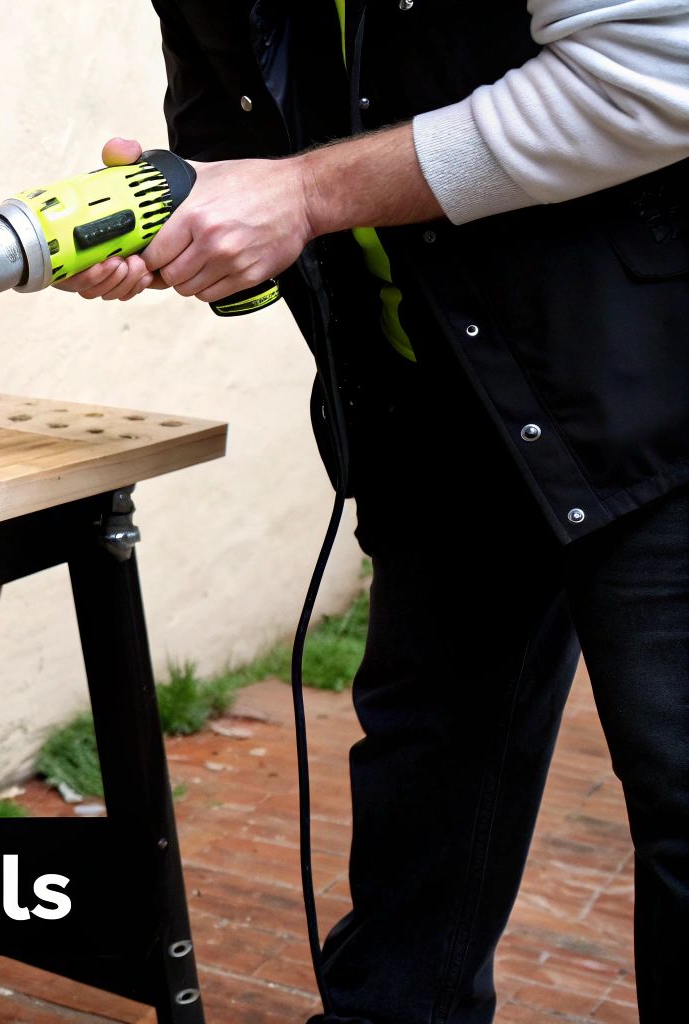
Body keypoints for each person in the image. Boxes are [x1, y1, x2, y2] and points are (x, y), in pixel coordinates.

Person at [59, 3, 689, 1022]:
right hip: (440, 404)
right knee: (427, 765)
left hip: (653, 388)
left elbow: (659, 72)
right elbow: (243, 152)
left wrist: (300, 193)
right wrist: (186, 228)